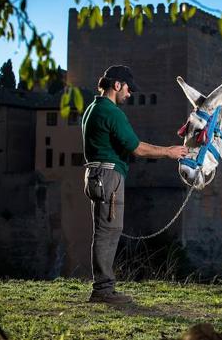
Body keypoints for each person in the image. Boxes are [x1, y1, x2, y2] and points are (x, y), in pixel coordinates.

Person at [81, 65, 188, 304]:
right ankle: (103, 290)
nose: (130, 94)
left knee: (103, 231)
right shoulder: (112, 112)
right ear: (117, 85)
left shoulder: (92, 108)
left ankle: (103, 287)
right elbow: (137, 148)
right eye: (128, 88)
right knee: (108, 233)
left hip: (95, 175)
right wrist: (169, 152)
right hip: (109, 177)